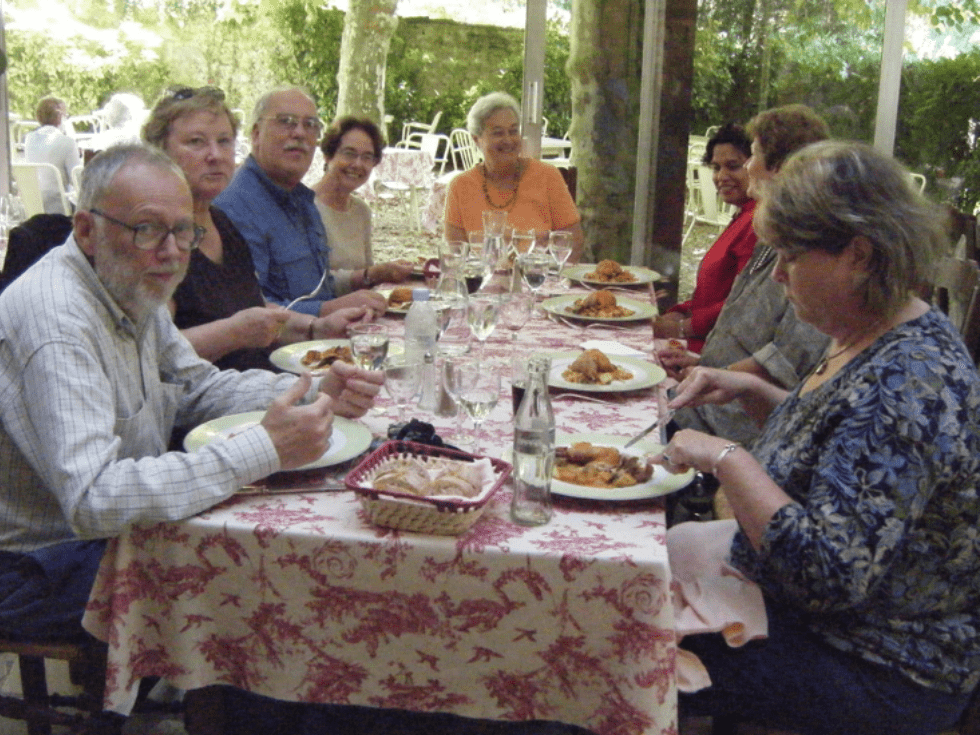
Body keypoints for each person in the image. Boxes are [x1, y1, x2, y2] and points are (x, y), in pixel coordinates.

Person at [659, 141, 980, 735]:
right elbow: (846, 450)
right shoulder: (873, 327)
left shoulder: (910, 381)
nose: (778, 275)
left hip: (879, 663)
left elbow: (826, 575)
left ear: (858, 254)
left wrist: (724, 456)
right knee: (650, 562)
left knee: (627, 643)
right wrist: (753, 392)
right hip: (831, 620)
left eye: (790, 257)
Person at [0, 144, 383, 641]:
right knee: (266, 580)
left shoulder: (131, 279)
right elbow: (94, 499)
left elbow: (193, 387)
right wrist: (263, 448)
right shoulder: (58, 321)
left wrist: (310, 392)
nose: (172, 251)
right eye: (146, 228)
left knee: (294, 548)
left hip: (109, 533)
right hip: (38, 562)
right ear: (87, 231)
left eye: (183, 230)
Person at [142, 86, 370, 372]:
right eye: (197, 142)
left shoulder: (220, 223)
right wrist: (233, 333)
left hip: (264, 383)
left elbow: (254, 308)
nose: (215, 155)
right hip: (214, 406)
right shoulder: (151, 238)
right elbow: (148, 353)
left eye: (224, 141)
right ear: (159, 153)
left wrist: (316, 328)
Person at [659, 104, 831, 447]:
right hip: (704, 402)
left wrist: (706, 373)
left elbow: (784, 364)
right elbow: (739, 326)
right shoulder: (773, 237)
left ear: (783, 168)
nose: (748, 167)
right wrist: (699, 363)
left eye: (751, 156)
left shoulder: (814, 253)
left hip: (723, 427)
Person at [214, 86, 386, 318]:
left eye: (310, 125)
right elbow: (248, 308)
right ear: (256, 134)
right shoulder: (236, 206)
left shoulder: (302, 200)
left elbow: (316, 287)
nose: (299, 133)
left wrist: (364, 284)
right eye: (286, 121)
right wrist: (326, 310)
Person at [444, 91, 585, 263]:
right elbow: (456, 254)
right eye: (497, 133)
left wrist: (548, 276)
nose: (508, 140)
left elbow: (573, 242)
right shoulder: (461, 186)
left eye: (513, 131)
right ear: (477, 139)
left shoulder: (547, 176)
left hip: (538, 281)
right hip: (482, 284)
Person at [653, 123, 756, 352]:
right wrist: (681, 311)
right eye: (716, 167)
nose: (721, 176)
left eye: (733, 166)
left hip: (714, 349)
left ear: (759, 166)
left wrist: (683, 327)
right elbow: (713, 294)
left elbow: (744, 304)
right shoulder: (743, 216)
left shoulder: (758, 223)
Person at [311, 115, 414, 283]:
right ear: (328, 156)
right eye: (349, 154)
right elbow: (308, 284)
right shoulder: (305, 208)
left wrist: (386, 272)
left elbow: (366, 278)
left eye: (367, 157)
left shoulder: (361, 211)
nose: (358, 164)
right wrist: (372, 274)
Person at [23, 96, 81, 214]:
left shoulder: (29, 139)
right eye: (66, 116)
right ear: (60, 117)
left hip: (33, 206)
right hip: (60, 208)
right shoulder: (67, 142)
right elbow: (76, 180)